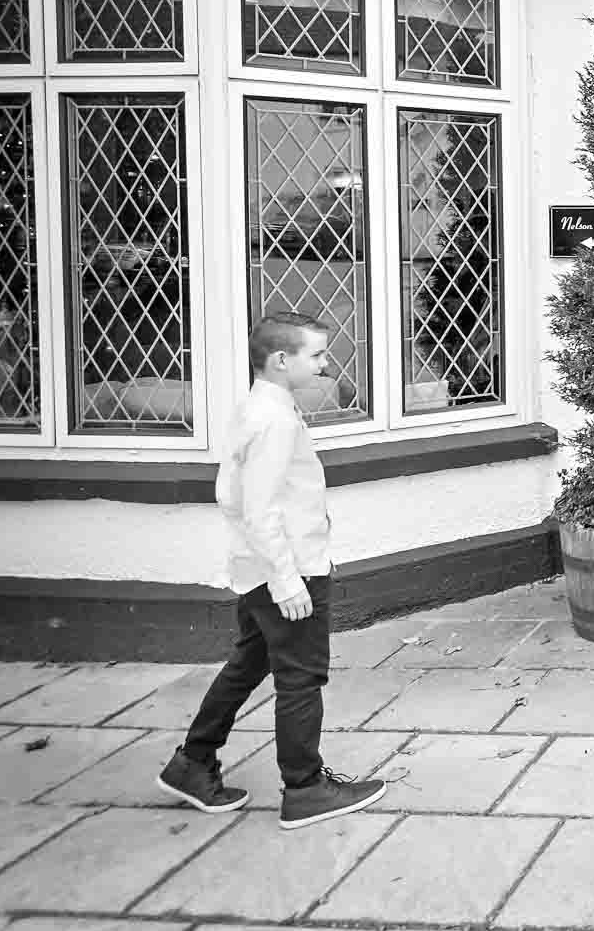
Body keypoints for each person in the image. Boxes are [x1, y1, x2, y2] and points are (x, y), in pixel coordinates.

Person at [156, 312, 387, 830]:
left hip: (261, 570)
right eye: (317, 355)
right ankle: (305, 789)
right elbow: (258, 509)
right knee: (302, 677)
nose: (326, 365)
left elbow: (232, 495)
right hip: (289, 573)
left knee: (248, 664)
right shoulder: (275, 420)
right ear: (282, 360)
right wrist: (286, 579)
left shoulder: (259, 408)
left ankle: (192, 762)